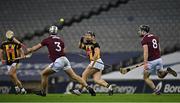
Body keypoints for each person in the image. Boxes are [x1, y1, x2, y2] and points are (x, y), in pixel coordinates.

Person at [27, 26, 96, 96]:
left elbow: (35, 48)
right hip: (64, 59)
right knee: (74, 76)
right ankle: (88, 88)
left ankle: (43, 92)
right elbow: (63, 51)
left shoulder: (47, 40)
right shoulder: (60, 40)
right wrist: (52, 54)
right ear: (56, 32)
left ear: (49, 32)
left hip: (58, 61)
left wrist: (29, 50)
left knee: (44, 74)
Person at [71, 31, 113, 96]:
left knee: (84, 75)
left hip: (96, 61)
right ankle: (109, 87)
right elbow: (80, 46)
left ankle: (80, 90)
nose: (87, 36)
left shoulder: (95, 44)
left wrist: (93, 58)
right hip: (97, 62)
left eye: (88, 35)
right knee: (97, 80)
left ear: (93, 37)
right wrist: (81, 39)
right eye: (86, 35)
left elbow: (97, 52)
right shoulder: (87, 44)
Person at [138, 25, 177, 94]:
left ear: (144, 31)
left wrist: (145, 63)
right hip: (159, 59)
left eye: (140, 30)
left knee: (146, 77)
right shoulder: (155, 37)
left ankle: (156, 91)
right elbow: (159, 49)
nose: (139, 32)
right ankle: (167, 71)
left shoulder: (144, 40)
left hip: (151, 61)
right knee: (160, 75)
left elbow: (146, 52)